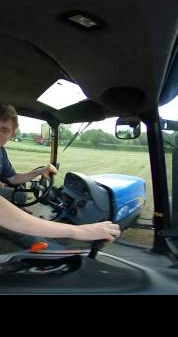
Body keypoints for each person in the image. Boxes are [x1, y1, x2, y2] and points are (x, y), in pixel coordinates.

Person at [0, 104, 120, 245]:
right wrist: (79, 231)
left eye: (4, 130)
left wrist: (39, 171)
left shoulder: (1, 152)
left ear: (12, 133)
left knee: (21, 195)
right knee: (25, 233)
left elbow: (13, 178)